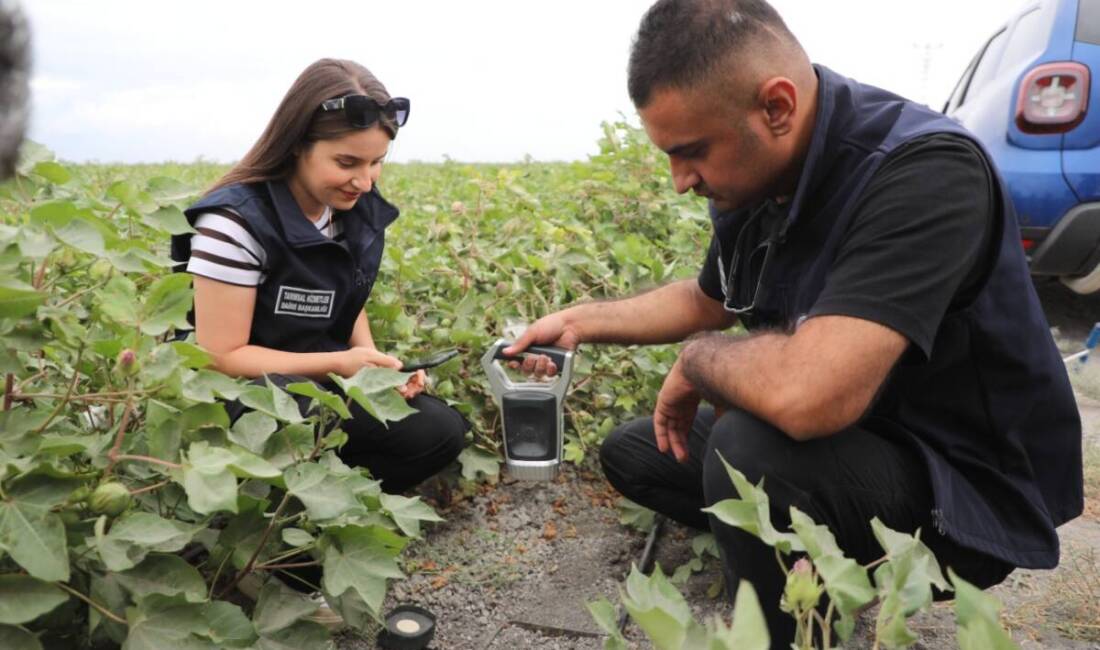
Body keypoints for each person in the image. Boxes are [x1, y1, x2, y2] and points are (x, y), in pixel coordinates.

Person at [506, 0, 1083, 645]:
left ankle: (795, 628)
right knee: (638, 452)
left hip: (958, 485)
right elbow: (708, 300)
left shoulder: (924, 172)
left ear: (776, 107)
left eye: (691, 152)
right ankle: (798, 551)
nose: (678, 181)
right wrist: (578, 321)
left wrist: (702, 360)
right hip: (857, 441)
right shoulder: (762, 174)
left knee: (750, 450)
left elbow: (810, 398)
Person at [169, 58, 467, 599]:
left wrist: (377, 369)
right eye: (347, 161)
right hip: (238, 391)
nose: (364, 179)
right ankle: (262, 548)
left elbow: (345, 297)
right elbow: (218, 355)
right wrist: (338, 365)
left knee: (438, 431)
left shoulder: (350, 208)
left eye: (377, 162)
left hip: (315, 374)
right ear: (297, 144)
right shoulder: (233, 223)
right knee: (297, 414)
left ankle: (322, 524)